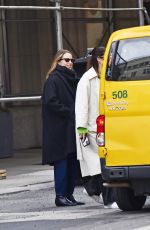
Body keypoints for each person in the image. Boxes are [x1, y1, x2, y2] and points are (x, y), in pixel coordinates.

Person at [75, 46, 118, 208]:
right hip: (90, 130)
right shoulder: (87, 79)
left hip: (103, 129)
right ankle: (109, 200)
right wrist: (82, 131)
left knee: (100, 166)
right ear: (99, 59)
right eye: (106, 56)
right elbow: (81, 107)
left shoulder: (105, 77)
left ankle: (92, 189)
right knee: (98, 166)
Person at [42, 49, 85, 207]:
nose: (70, 63)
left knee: (72, 162)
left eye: (72, 60)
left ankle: (69, 195)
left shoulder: (71, 78)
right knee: (62, 162)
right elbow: (50, 101)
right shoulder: (54, 79)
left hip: (70, 127)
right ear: (58, 61)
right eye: (66, 60)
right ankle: (60, 196)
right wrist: (68, 112)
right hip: (59, 129)